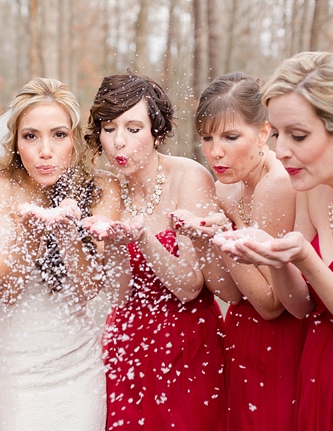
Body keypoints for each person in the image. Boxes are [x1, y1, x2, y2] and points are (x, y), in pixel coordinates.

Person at [0, 77, 131, 431]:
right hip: (11, 369)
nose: (45, 151)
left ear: (74, 138)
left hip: (76, 369)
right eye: (31, 136)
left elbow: (90, 290)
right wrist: (31, 233)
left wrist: (65, 232)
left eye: (58, 135)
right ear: (15, 143)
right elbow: (6, 291)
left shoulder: (103, 188)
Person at [213, 51, 333, 431]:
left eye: (299, 135)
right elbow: (300, 307)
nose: (280, 151)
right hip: (314, 380)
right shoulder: (312, 189)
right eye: (277, 133)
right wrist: (272, 258)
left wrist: (306, 260)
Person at [84, 71, 227, 430]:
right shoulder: (108, 190)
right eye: (109, 128)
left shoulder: (188, 178)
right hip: (126, 345)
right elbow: (117, 293)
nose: (119, 142)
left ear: (157, 132)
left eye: (133, 129)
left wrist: (144, 239)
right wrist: (117, 246)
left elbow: (191, 286)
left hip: (187, 344)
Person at [176, 72, 309, 430]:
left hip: (280, 340)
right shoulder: (225, 190)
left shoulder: (277, 184)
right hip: (238, 333)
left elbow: (270, 303)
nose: (215, 151)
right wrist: (201, 239)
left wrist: (222, 239)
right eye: (207, 137)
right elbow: (231, 293)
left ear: (264, 132)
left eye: (231, 137)